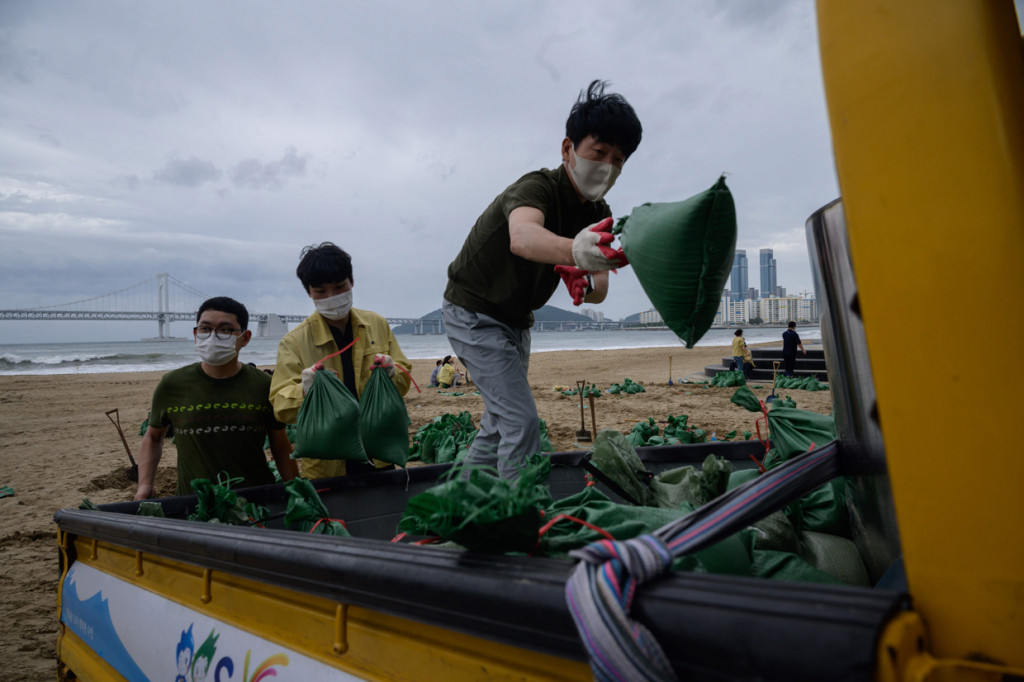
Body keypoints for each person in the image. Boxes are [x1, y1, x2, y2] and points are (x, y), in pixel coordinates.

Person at [442, 79, 642, 479]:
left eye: (618, 160)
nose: (606, 167)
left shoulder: (598, 209)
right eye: (598, 152)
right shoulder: (537, 187)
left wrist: (587, 285)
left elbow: (600, 281)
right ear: (568, 149)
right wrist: (576, 251)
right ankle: (520, 518)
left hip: (516, 323)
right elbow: (523, 237)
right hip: (473, 311)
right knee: (521, 422)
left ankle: (461, 500)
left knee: (499, 423)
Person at [269, 242, 412, 479]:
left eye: (339, 287)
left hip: (378, 454)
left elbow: (403, 377)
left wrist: (393, 372)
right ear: (308, 292)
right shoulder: (293, 341)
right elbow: (280, 407)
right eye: (321, 292)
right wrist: (304, 391)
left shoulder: (376, 324)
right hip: (327, 464)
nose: (332, 297)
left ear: (352, 282)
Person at [134, 297, 298, 500]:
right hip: (194, 503)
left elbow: (281, 447)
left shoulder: (263, 385)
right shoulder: (172, 384)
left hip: (256, 500)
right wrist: (144, 485)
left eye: (225, 330)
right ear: (195, 334)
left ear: (245, 338)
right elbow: (153, 437)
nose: (213, 336)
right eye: (205, 329)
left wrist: (295, 489)